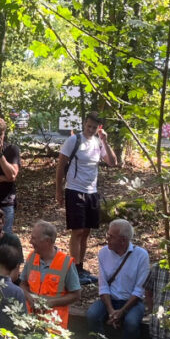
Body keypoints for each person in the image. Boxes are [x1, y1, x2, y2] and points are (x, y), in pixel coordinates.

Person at [55, 112, 119, 286]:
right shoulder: (73, 141)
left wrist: (105, 140)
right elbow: (61, 166)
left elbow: (113, 162)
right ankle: (74, 270)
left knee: (86, 232)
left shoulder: (98, 142)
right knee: (77, 231)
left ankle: (80, 267)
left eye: (94, 127)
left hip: (92, 192)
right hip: (74, 190)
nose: (90, 129)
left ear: (99, 127)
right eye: (88, 126)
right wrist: (59, 191)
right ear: (84, 123)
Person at [85, 219, 150, 339]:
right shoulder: (103, 253)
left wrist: (122, 311)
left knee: (132, 323)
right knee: (92, 315)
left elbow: (139, 289)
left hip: (132, 301)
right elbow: (103, 286)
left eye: (110, 236)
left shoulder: (141, 255)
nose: (107, 239)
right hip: (110, 300)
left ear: (123, 240)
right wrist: (111, 311)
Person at [20, 220, 81, 329]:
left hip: (53, 326)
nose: (30, 242)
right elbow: (23, 284)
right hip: (29, 321)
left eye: (34, 238)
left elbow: (76, 295)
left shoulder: (66, 263)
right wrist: (29, 297)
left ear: (47, 241)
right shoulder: (31, 257)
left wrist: (51, 302)